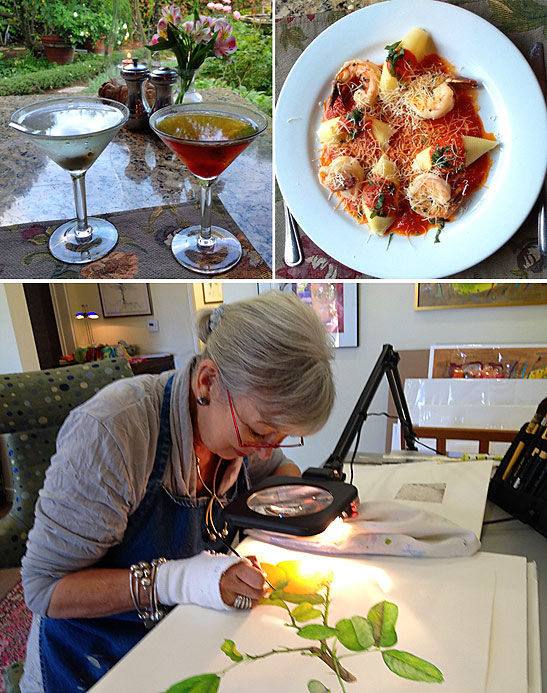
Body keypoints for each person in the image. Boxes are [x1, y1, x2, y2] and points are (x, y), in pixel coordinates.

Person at [20, 290, 335, 692]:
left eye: (282, 436)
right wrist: (179, 579)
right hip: (92, 662)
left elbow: (278, 469)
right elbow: (44, 589)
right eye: (259, 432)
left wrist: (295, 504)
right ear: (208, 380)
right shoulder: (113, 434)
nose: (266, 448)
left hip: (178, 637)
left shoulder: (237, 428)